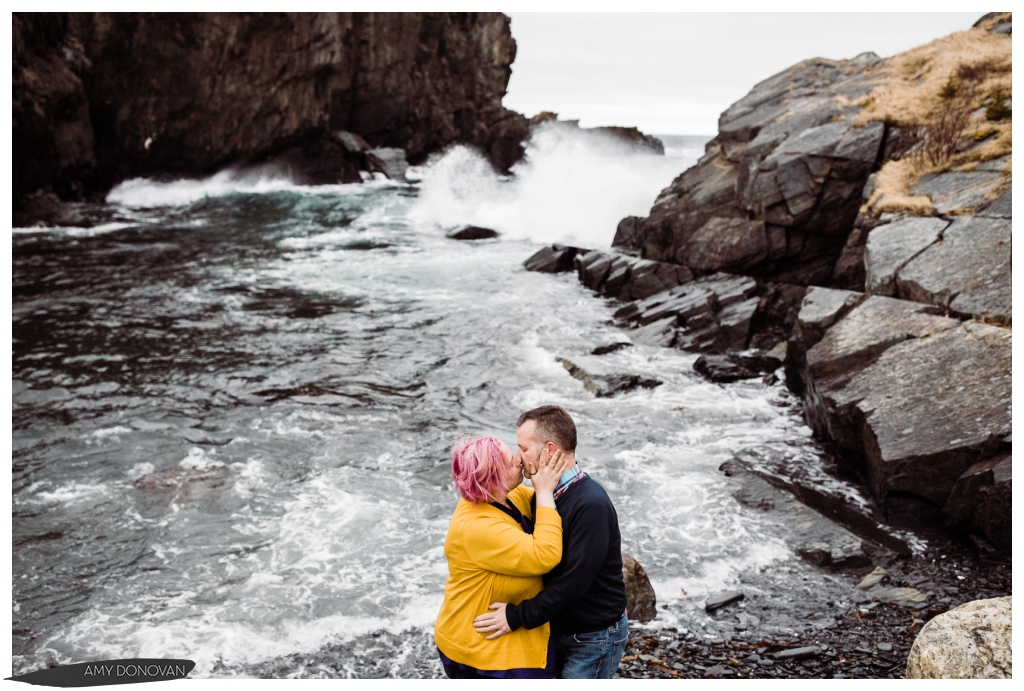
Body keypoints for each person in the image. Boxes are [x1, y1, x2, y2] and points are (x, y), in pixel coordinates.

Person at [473, 405, 629, 679]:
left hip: (593, 635)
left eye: (523, 448)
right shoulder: (544, 495)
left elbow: (572, 584)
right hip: (561, 625)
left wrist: (517, 617)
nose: (517, 458)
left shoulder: (590, 504)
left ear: (550, 450)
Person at [434, 434, 571, 678]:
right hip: (480, 648)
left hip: (497, 636)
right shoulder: (477, 527)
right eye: (511, 461)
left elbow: (548, 504)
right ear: (492, 480)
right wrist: (544, 492)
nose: (519, 459)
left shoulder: (505, 497)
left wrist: (545, 480)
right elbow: (545, 554)